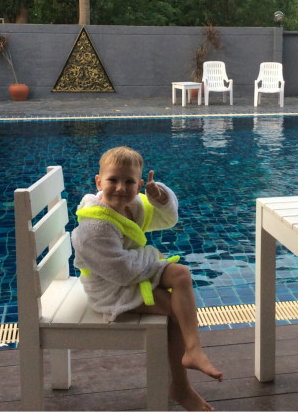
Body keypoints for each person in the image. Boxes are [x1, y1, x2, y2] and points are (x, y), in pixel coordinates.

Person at [71, 146, 222, 411]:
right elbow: (121, 272)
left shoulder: (132, 206)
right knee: (175, 310)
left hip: (130, 275)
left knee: (182, 274)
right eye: (113, 180)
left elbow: (167, 219)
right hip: (110, 290)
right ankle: (181, 388)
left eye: (129, 182)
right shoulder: (95, 226)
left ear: (139, 185)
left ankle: (193, 350)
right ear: (98, 182)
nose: (121, 188)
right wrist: (154, 257)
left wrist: (159, 197)